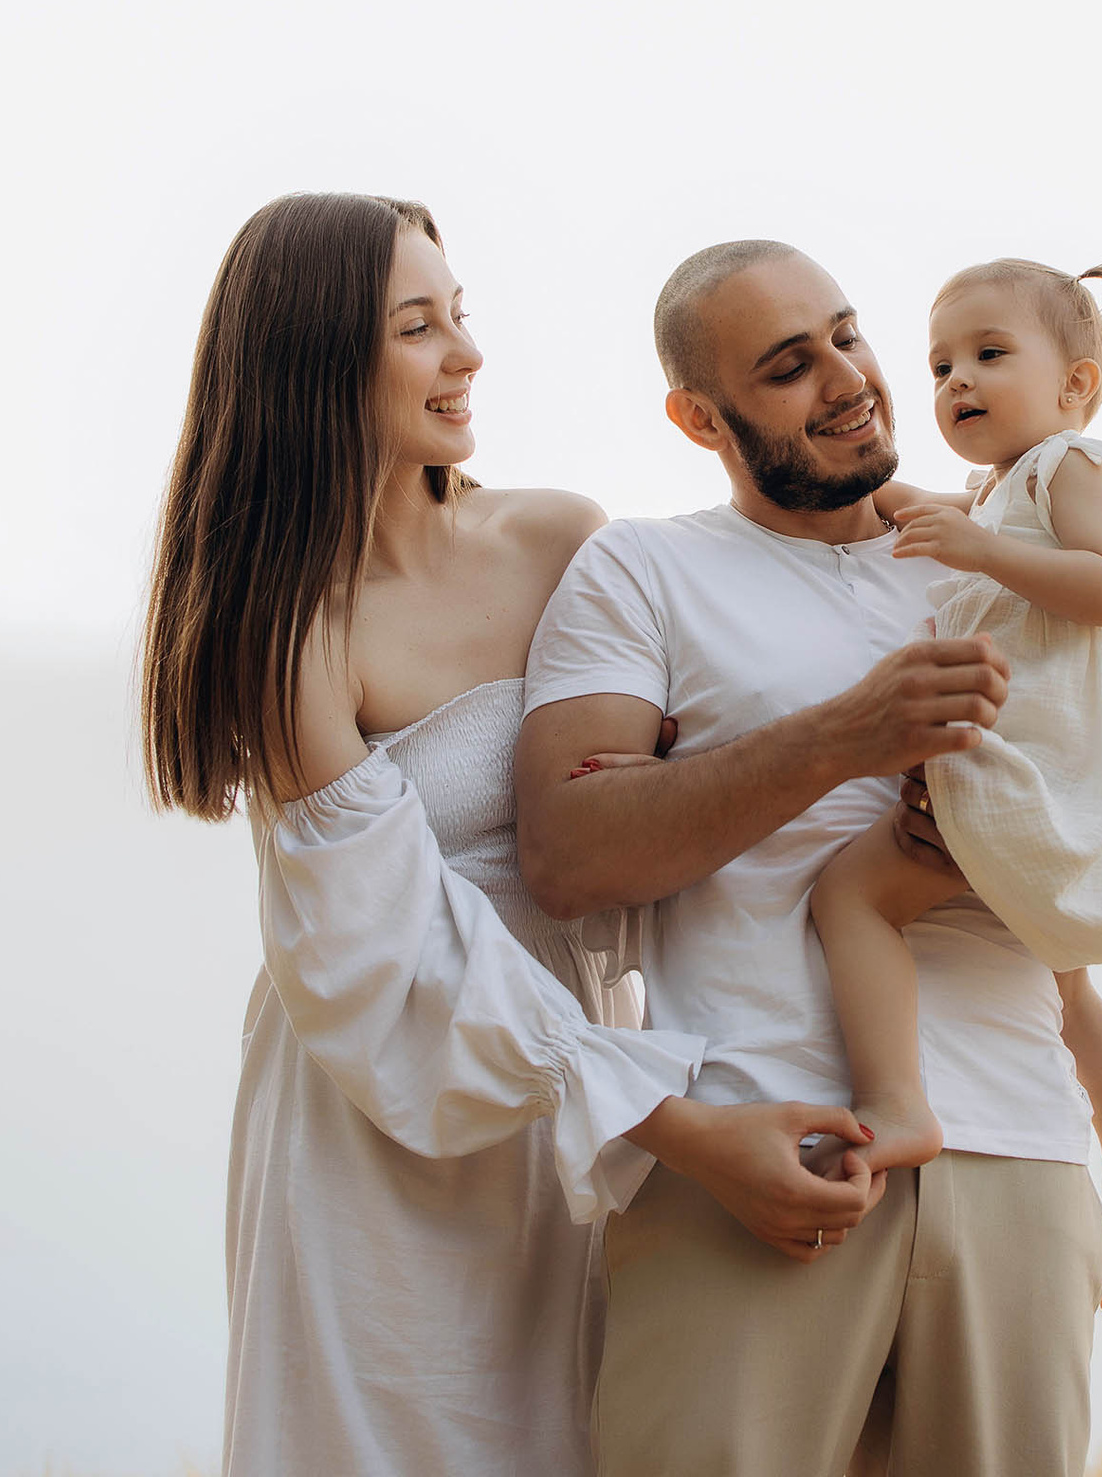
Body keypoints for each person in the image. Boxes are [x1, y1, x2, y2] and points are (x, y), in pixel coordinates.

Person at [139, 194, 879, 1477]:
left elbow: (670, 795)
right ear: (315, 362)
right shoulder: (287, 626)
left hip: (591, 1102)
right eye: (416, 328)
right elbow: (378, 942)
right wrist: (675, 1126)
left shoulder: (555, 540)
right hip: (378, 1124)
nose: (466, 355)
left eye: (459, 315)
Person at [513, 239, 1102, 1477]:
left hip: (1022, 1156)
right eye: (788, 366)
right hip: (766, 1155)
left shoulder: (992, 549)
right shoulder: (642, 569)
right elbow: (567, 850)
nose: (851, 379)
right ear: (698, 416)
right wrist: (845, 737)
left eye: (849, 334)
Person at [809, 257, 1102, 1311]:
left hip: (1020, 766)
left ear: (1075, 385)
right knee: (1066, 987)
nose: (954, 382)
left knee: (854, 896)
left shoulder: (1070, 467)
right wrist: (865, 480)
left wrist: (981, 550)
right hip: (1030, 772)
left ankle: (898, 1103)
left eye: (989, 355)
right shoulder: (996, 490)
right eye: (940, 364)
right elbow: (906, 503)